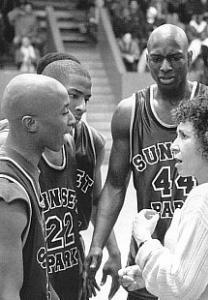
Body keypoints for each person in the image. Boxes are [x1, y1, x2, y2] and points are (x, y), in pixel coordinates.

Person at [85, 23, 208, 300]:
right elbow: (114, 185)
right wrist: (98, 243)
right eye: (157, 59)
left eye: (174, 57)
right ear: (146, 60)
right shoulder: (129, 112)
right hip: (147, 257)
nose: (166, 67)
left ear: (190, 58)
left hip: (200, 257)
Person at [119, 95, 208, 299]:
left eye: (184, 136)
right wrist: (147, 275)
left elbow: (180, 284)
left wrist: (144, 240)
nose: (173, 145)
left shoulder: (205, 199)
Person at [37, 52, 122, 299]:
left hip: (71, 259)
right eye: (73, 95)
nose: (82, 107)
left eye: (86, 98)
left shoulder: (92, 142)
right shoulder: (18, 141)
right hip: (34, 265)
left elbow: (96, 200)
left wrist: (112, 250)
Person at [0, 73, 75, 299]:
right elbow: (8, 292)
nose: (72, 118)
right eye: (63, 112)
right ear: (30, 124)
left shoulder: (25, 166)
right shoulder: (8, 195)